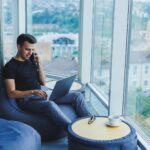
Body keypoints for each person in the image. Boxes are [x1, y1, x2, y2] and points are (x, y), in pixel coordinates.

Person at [2, 33, 91, 130]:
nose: (30, 52)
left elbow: (43, 82)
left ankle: (90, 121)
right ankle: (73, 131)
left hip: (42, 94)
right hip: (27, 100)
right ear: (18, 46)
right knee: (50, 105)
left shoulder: (31, 60)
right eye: (27, 49)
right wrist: (33, 91)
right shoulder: (10, 67)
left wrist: (39, 63)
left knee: (77, 96)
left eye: (32, 49)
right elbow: (11, 93)